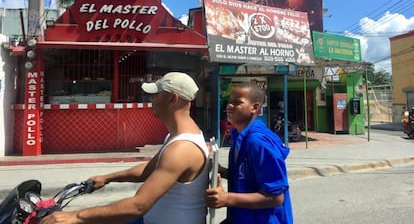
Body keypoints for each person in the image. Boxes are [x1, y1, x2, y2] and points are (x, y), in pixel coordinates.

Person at [41, 72, 210, 224]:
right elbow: (147, 170)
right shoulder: (177, 137)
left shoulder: (182, 149)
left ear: (172, 99)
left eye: (155, 94)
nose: (151, 99)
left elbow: (138, 205)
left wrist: (75, 216)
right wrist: (107, 178)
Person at [206, 82, 293, 223]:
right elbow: (247, 175)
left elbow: (276, 197)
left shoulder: (258, 142)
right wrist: (219, 169)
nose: (229, 106)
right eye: (229, 102)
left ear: (255, 107)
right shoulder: (238, 136)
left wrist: (227, 198)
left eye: (237, 103)